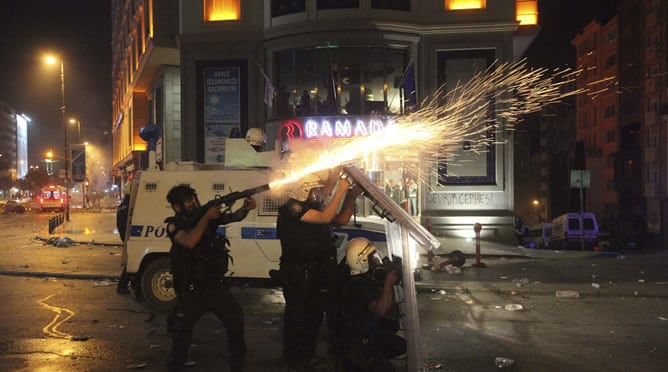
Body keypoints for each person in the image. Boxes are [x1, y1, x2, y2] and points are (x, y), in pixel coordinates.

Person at [276, 170, 362, 371]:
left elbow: (339, 219)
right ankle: (293, 359)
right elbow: (325, 217)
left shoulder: (310, 205)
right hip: (298, 272)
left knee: (314, 314)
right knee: (297, 316)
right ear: (303, 190)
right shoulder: (292, 208)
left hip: (317, 270)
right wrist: (341, 189)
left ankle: (307, 354)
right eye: (314, 189)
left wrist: (350, 195)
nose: (318, 193)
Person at [164, 185, 257, 372]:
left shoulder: (204, 217)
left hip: (214, 286)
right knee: (181, 334)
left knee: (235, 322)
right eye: (188, 201)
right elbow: (189, 242)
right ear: (177, 207)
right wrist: (206, 218)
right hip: (192, 291)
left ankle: (238, 365)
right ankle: (176, 366)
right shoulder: (174, 225)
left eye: (194, 198)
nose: (194, 203)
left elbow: (234, 217)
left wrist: (246, 207)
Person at [340, 237, 406, 371]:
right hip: (359, 339)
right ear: (362, 261)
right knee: (398, 347)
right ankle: (367, 360)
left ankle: (375, 356)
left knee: (392, 326)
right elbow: (381, 309)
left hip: (361, 329)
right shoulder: (358, 286)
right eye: (371, 258)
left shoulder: (358, 277)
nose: (376, 260)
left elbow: (386, 305)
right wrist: (388, 283)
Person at [116, 183, 132, 295]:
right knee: (131, 261)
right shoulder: (129, 206)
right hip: (128, 236)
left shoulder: (123, 205)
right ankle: (122, 285)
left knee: (131, 260)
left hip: (125, 235)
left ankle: (125, 285)